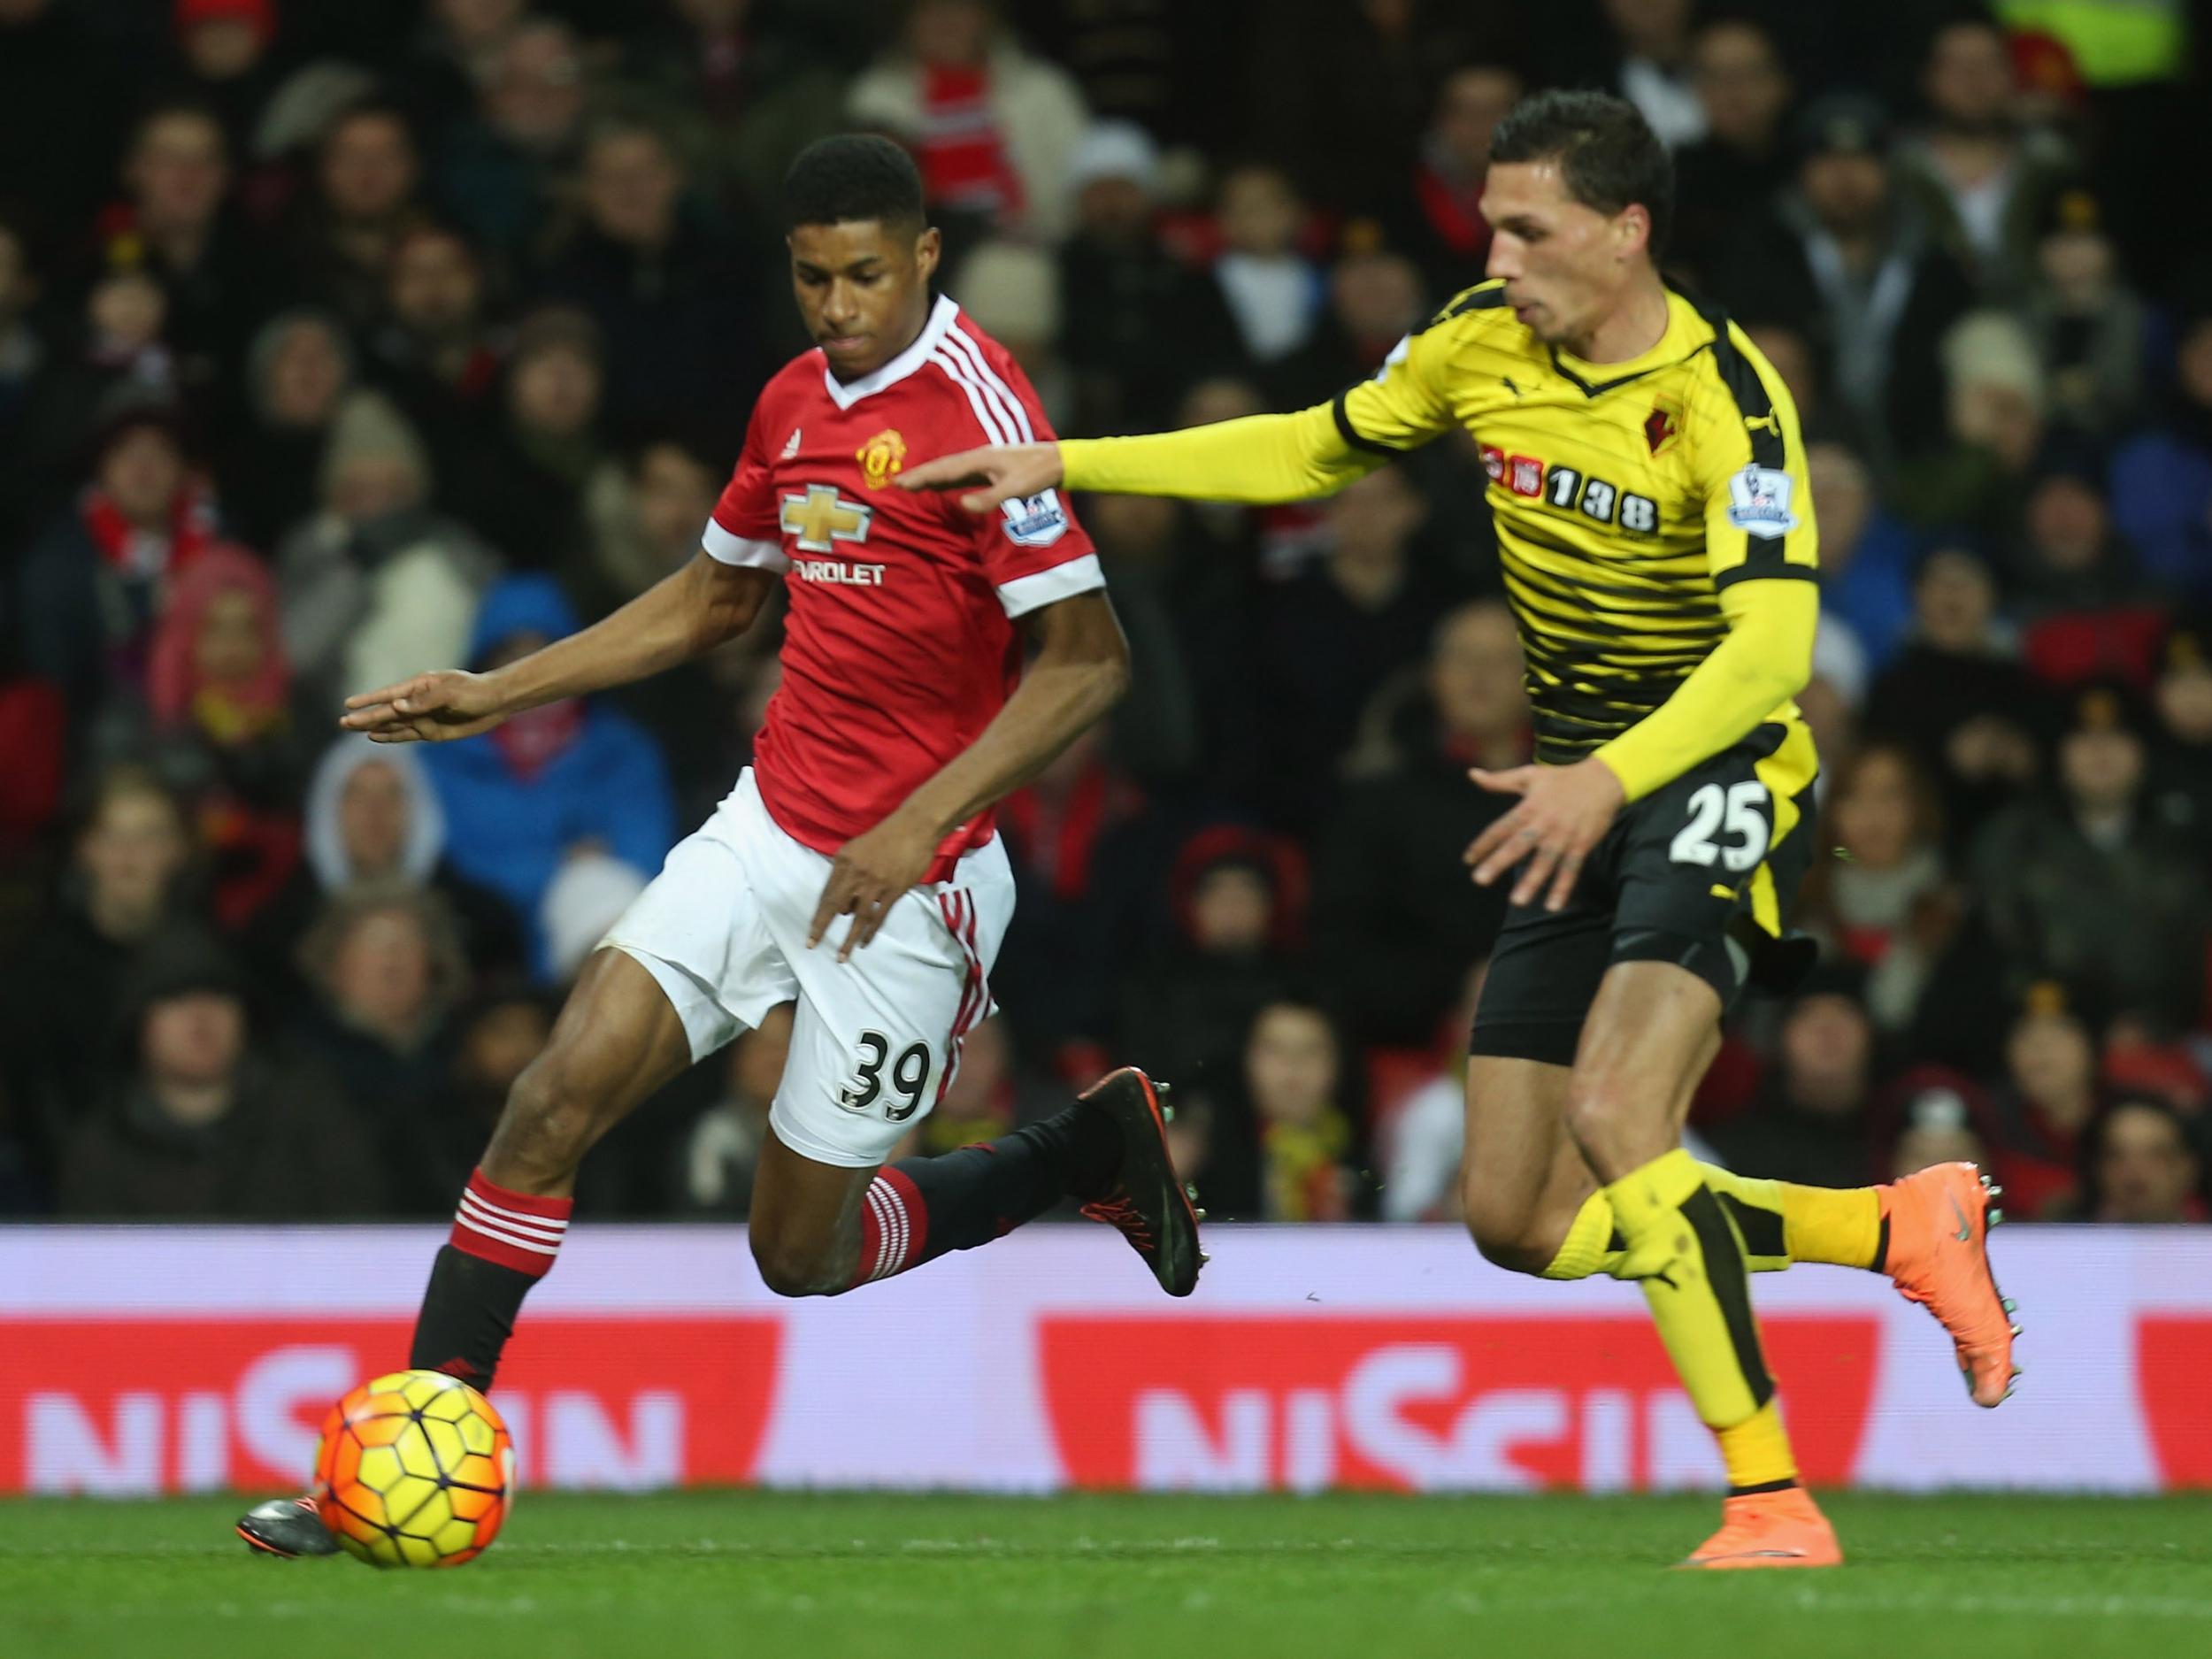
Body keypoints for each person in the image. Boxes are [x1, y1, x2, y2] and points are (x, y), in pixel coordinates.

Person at [906, 90, 2018, 1569]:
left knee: (1624, 1117)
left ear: (1626, 235)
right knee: (1516, 1213)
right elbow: (1311, 450)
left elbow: (1766, 658)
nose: (1497, 253)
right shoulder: (1475, 342)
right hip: (1579, 788)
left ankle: (1771, 1500)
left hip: (1715, 773)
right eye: (1490, 222)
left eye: (1529, 228)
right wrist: (1072, 465)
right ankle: (1893, 1232)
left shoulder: (1733, 402)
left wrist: (1611, 780)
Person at [237, 135, 1197, 1556]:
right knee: (549, 1098)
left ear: (925, 256)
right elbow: (713, 599)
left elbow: (1088, 664)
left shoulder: (985, 412)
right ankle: (396, 1460)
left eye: (865, 272)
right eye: (811, 276)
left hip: (917, 886)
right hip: (770, 829)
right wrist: (495, 687)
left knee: (796, 1254)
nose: (835, 304)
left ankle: (1074, 1154)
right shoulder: (792, 403)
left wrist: (917, 820)